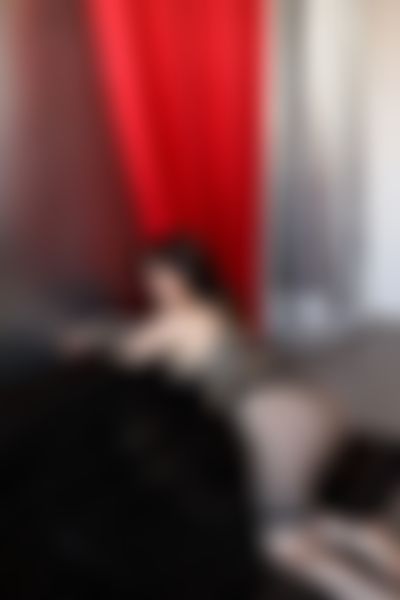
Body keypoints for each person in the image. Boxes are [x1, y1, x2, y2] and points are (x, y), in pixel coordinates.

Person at [61, 237, 400, 599]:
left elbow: (128, 353)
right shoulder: (222, 309)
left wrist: (90, 335)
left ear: (182, 280)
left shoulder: (180, 321)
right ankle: (366, 535)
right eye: (151, 279)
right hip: (315, 404)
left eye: (159, 279)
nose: (155, 287)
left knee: (284, 547)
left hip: (278, 421)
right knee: (293, 512)